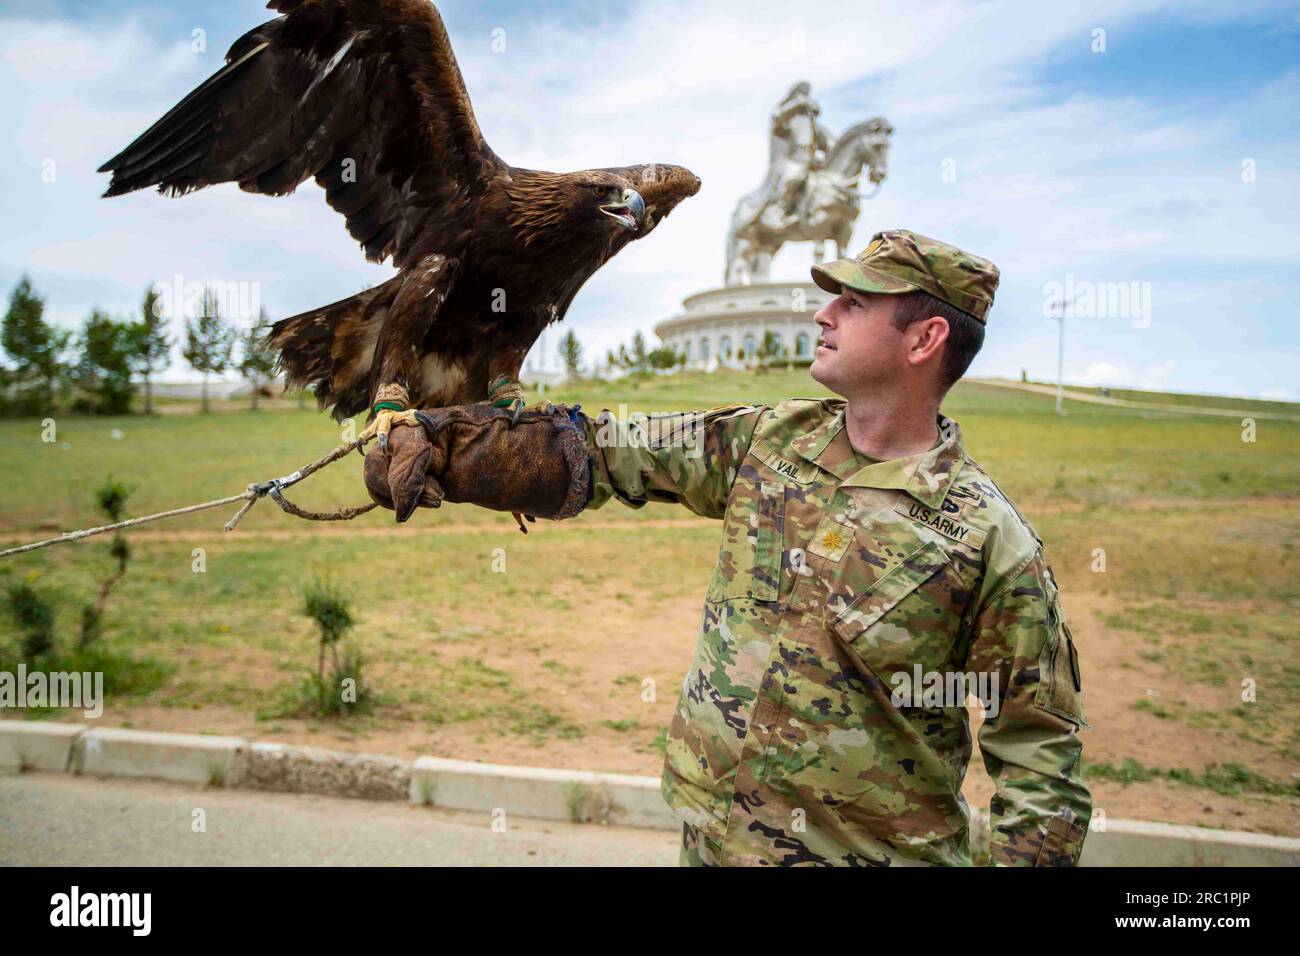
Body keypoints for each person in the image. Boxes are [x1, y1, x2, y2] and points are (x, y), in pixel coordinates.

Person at [364, 229, 1093, 867]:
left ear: (924, 338)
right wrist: (453, 451)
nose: (823, 312)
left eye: (855, 303)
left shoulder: (986, 540)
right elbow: (616, 452)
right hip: (713, 842)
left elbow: (1040, 760)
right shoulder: (769, 441)